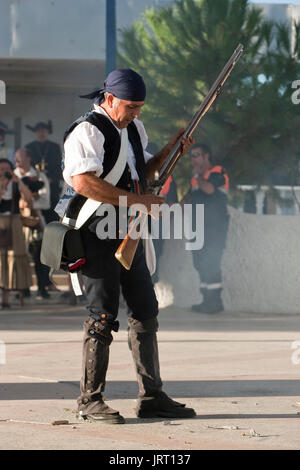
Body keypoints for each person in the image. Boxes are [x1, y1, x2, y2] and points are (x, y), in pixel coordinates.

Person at [59, 68, 196, 423]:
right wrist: (137, 203)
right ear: (109, 99)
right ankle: (89, 401)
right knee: (102, 316)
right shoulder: (87, 131)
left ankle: (152, 396)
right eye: (131, 106)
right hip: (93, 231)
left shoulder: (134, 128)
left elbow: (140, 173)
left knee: (146, 311)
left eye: (140, 107)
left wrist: (171, 149)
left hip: (127, 232)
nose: (136, 113)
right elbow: (84, 182)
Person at [183, 143, 229, 314]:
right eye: (192, 156)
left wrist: (197, 175)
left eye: (196, 155)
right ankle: (206, 301)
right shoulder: (196, 179)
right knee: (200, 263)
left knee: (211, 262)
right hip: (197, 227)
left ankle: (215, 302)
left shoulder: (217, 172)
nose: (193, 159)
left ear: (206, 157)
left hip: (214, 228)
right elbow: (189, 196)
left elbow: (209, 189)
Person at [14, 148, 52, 300]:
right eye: (16, 158)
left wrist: (31, 202)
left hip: (35, 220)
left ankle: (42, 287)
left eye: (20, 158)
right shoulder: (12, 176)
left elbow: (46, 201)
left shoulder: (39, 176)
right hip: (17, 220)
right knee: (19, 256)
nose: (17, 161)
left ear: (28, 158)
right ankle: (23, 288)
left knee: (38, 255)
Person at [0, 158, 33, 308]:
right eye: (1, 169)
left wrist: (18, 181)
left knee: (14, 257)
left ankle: (10, 296)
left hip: (13, 221)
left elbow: (29, 199)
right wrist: (4, 184)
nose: (3, 172)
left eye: (6, 169)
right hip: (1, 220)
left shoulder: (15, 183)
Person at [25, 121, 62, 223]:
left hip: (52, 186)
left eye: (44, 131)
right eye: (39, 131)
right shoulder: (29, 147)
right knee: (35, 213)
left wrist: (51, 179)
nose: (41, 133)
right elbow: (27, 167)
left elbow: (59, 166)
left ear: (47, 132)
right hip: (35, 186)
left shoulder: (55, 147)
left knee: (52, 214)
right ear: (35, 133)